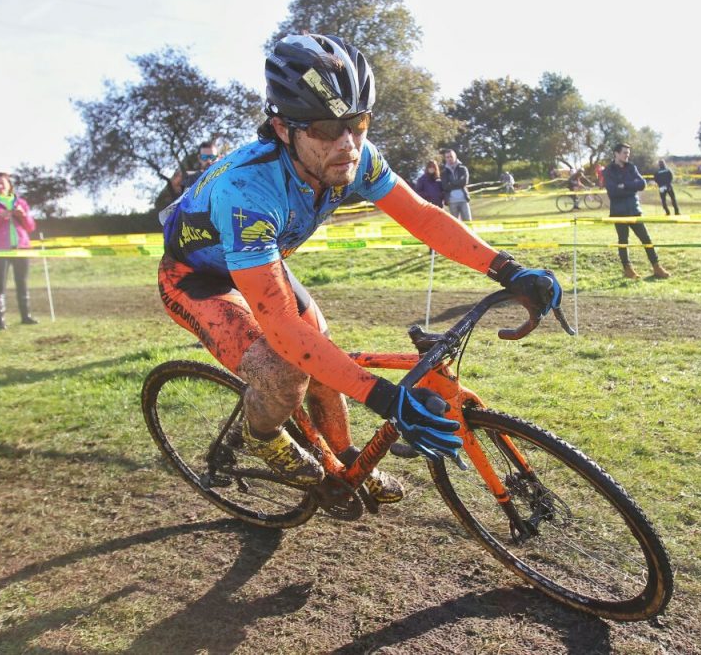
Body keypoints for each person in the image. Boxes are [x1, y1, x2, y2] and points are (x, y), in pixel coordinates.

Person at [158, 34, 562, 504]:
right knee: (287, 373)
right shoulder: (247, 191)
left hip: (258, 264)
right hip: (196, 279)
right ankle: (261, 435)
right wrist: (386, 399)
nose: (348, 143)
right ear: (283, 129)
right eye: (328, 129)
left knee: (325, 357)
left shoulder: (356, 158)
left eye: (358, 122)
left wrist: (508, 271)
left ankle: (344, 458)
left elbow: (424, 217)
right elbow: (283, 326)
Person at [0, 172, 39, 329]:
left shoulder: (21, 202)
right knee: (0, 285)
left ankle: (26, 316)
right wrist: (0, 217)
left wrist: (23, 215)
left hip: (21, 248)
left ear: (9, 184)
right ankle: (0, 321)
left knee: (22, 283)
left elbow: (31, 227)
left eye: (2, 182)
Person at [603, 143, 669, 280]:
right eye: (624, 153)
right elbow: (613, 191)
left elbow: (642, 184)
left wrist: (625, 185)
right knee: (623, 241)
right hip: (619, 212)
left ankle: (657, 267)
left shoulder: (632, 167)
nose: (627, 155)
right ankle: (628, 269)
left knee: (646, 239)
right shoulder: (608, 171)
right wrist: (631, 188)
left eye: (628, 153)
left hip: (634, 210)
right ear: (616, 153)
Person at [441, 149, 471, 221]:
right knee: (455, 224)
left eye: (451, 156)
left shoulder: (463, 169)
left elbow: (464, 182)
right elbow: (445, 186)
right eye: (447, 157)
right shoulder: (444, 172)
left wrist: (451, 183)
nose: (449, 158)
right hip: (451, 201)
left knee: (468, 221)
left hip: (463, 200)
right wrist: (458, 182)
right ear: (445, 159)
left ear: (455, 156)